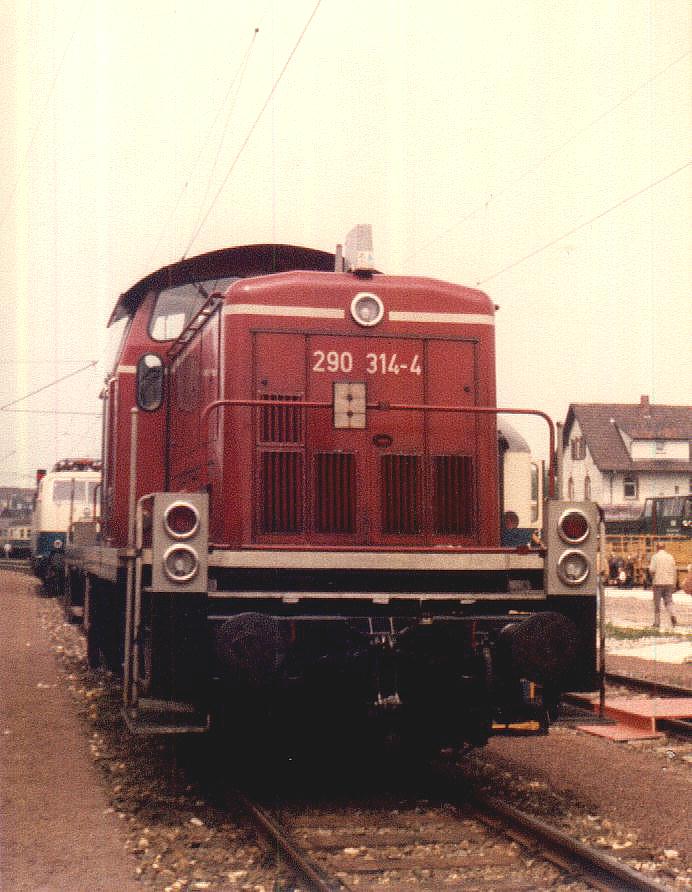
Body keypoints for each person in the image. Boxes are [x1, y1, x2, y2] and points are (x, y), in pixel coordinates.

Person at [648, 541, 678, 629]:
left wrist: (653, 579)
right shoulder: (670, 557)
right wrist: (674, 583)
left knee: (657, 603)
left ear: (657, 548)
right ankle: (673, 615)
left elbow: (652, 570)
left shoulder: (655, 557)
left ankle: (657, 622)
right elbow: (674, 571)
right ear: (665, 548)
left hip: (658, 583)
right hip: (669, 582)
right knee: (669, 601)